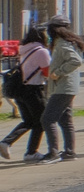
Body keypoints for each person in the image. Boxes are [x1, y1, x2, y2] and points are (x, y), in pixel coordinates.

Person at [1, 28, 51, 161]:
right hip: (34, 90)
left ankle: (6, 142)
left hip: (20, 90)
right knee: (41, 121)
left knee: (29, 121)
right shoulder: (42, 51)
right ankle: (31, 152)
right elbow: (47, 72)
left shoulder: (24, 50)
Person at [42, 18, 84, 160]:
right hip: (67, 86)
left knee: (47, 119)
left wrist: (58, 72)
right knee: (65, 120)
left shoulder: (62, 44)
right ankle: (69, 152)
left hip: (63, 86)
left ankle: (53, 152)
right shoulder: (68, 42)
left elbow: (76, 61)